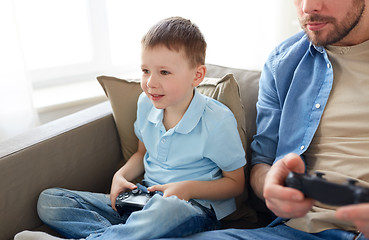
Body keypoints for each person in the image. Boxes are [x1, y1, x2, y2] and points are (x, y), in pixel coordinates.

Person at [16, 17, 246, 240]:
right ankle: (129, 233)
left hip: (193, 208)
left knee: (166, 211)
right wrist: (120, 176)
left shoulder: (216, 120)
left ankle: (123, 233)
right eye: (145, 70)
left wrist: (186, 189)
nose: (150, 83)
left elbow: (235, 184)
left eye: (164, 72)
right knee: (49, 201)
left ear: (197, 75)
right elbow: (141, 154)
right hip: (143, 198)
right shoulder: (146, 104)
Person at [155, 0, 369, 239]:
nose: (308, 7)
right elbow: (263, 160)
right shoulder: (283, 62)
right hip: (295, 230)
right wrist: (269, 185)